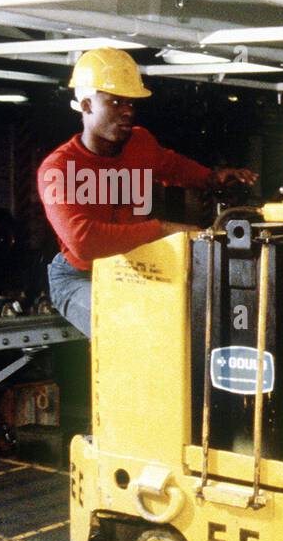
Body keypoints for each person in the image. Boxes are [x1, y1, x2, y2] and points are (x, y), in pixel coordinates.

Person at [39, 47, 257, 337]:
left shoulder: (139, 143)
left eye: (130, 103)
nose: (127, 111)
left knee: (189, 323)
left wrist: (213, 178)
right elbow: (84, 241)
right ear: (87, 105)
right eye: (116, 102)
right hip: (81, 276)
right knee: (130, 331)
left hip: (134, 267)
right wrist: (163, 230)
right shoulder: (59, 168)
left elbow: (173, 166)